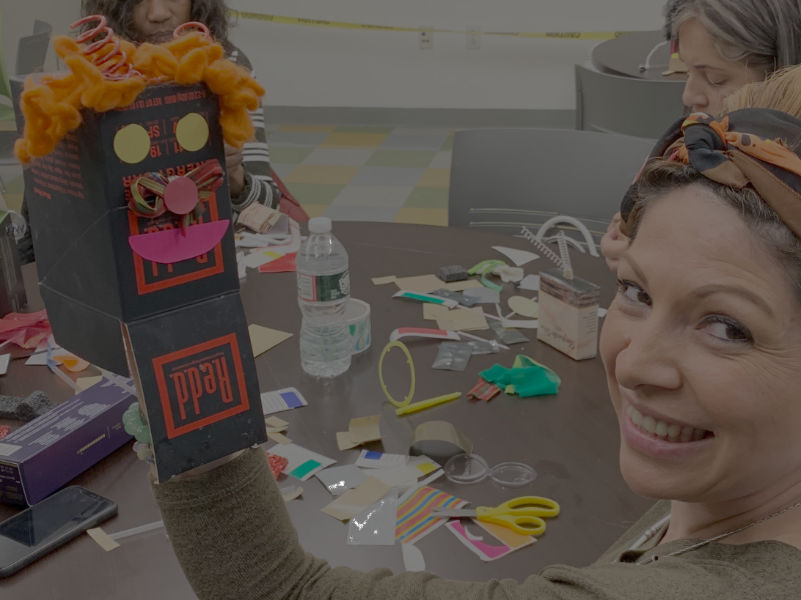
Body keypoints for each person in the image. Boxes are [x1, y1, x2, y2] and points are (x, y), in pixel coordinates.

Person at [138, 66, 801, 598]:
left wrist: (194, 408)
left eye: (724, 326)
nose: (634, 365)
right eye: (634, 291)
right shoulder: (739, 483)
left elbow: (274, 588)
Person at [15, 0, 283, 264]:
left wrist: (235, 177)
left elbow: (268, 210)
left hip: (203, 260)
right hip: (108, 264)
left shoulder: (226, 67)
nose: (157, 13)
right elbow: (40, 220)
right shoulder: (90, 72)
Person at [600, 0, 801, 271]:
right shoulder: (695, 140)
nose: (689, 95)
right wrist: (632, 227)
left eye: (716, 79)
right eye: (686, 70)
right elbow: (635, 215)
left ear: (781, 74)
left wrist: (652, 257)